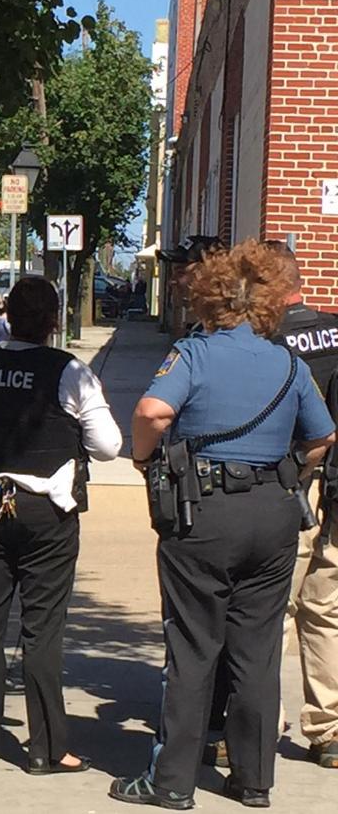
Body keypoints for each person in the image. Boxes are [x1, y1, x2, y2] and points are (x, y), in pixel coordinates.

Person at [110, 239, 336, 810]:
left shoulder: (194, 354)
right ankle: (254, 780)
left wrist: (143, 460)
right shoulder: (286, 361)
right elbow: (322, 436)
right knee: (257, 652)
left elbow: (151, 412)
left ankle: (173, 782)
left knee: (192, 647)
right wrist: (287, 471)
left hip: (203, 511)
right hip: (274, 512)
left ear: (209, 298)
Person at [0, 277, 122, 772]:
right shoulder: (69, 371)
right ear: (53, 321)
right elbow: (108, 446)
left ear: (7, 314)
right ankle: (47, 748)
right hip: (45, 511)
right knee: (42, 630)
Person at [266, 242, 338, 770]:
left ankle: (264, 721)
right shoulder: (336, 329)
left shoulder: (272, 343)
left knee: (269, 612)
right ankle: (330, 731)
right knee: (326, 611)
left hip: (297, 486)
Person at [156, 235, 224, 337]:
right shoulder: (203, 328)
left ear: (209, 274)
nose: (172, 281)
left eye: (180, 273)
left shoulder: (225, 335)